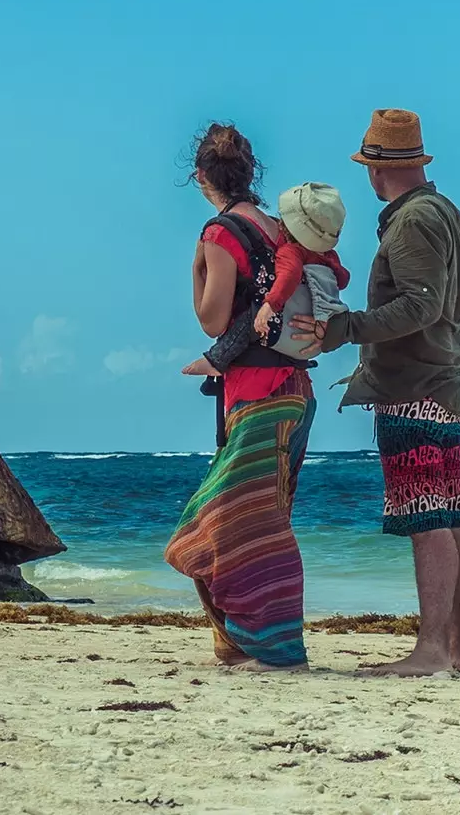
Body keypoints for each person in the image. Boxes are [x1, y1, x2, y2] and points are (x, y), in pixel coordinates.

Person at [289, 109, 460, 677]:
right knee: (450, 513)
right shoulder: (444, 212)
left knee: (427, 514)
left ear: (376, 169)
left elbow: (422, 305)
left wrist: (343, 327)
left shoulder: (413, 221)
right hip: (445, 380)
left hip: (416, 385)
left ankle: (433, 651)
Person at [164, 123, 317, 671]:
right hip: (298, 389)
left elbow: (211, 319)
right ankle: (235, 647)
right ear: (251, 174)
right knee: (262, 517)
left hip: (257, 393)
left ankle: (276, 650)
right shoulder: (280, 228)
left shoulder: (219, 233)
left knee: (229, 524)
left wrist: (197, 267)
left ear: (201, 177)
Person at [181, 181, 350, 375]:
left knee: (249, 319)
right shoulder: (327, 256)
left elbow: (289, 276)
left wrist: (269, 306)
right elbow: (343, 279)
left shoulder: (291, 251)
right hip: (308, 350)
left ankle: (216, 360)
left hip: (263, 370)